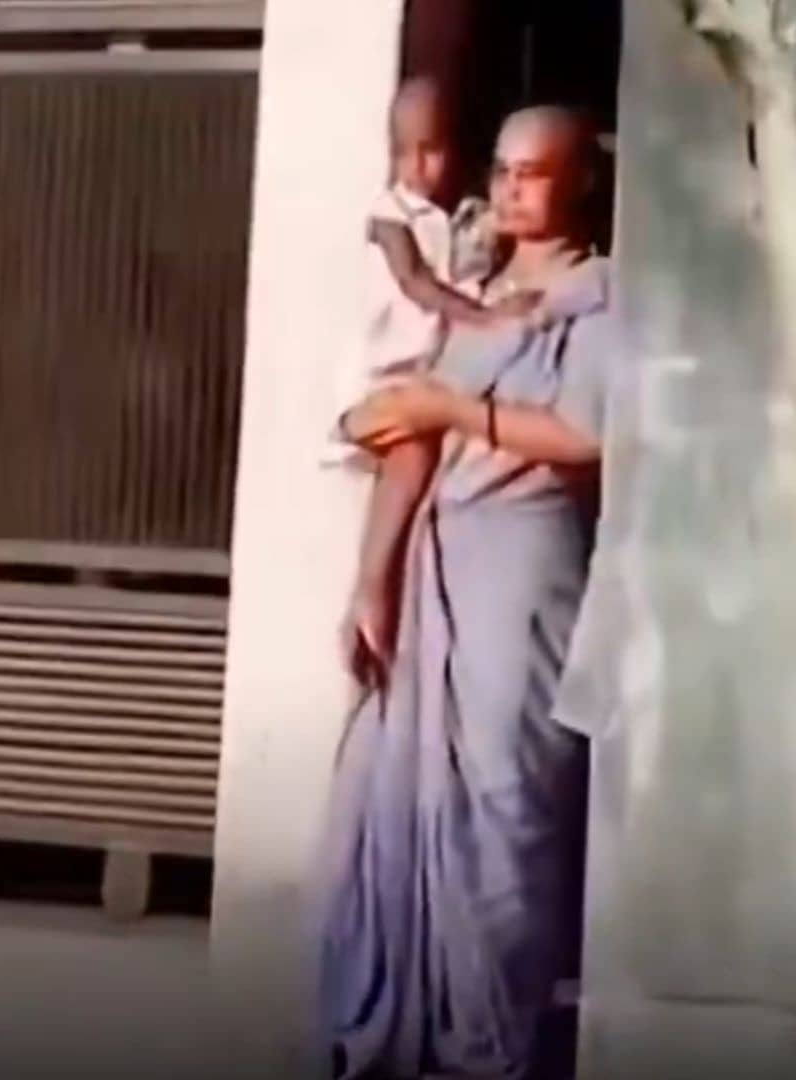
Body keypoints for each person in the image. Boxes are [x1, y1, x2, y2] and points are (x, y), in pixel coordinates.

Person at [317, 106, 620, 1079]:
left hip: (523, 568)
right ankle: (404, 1028)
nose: (513, 188)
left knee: (506, 797)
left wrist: (453, 406)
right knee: (392, 791)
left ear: (580, 181)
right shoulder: (473, 294)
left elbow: (584, 437)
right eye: (502, 169)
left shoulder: (601, 300)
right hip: (434, 560)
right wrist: (372, 578)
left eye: (536, 171)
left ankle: (494, 1042)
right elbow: (410, 441)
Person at [334, 76, 543, 685]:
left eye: (432, 151)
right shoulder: (389, 216)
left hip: (431, 373)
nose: (418, 167)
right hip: (383, 378)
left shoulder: (465, 219)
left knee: (425, 468)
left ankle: (389, 608)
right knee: (412, 454)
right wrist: (484, 317)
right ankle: (370, 588)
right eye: (405, 152)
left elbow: (490, 261)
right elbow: (416, 283)